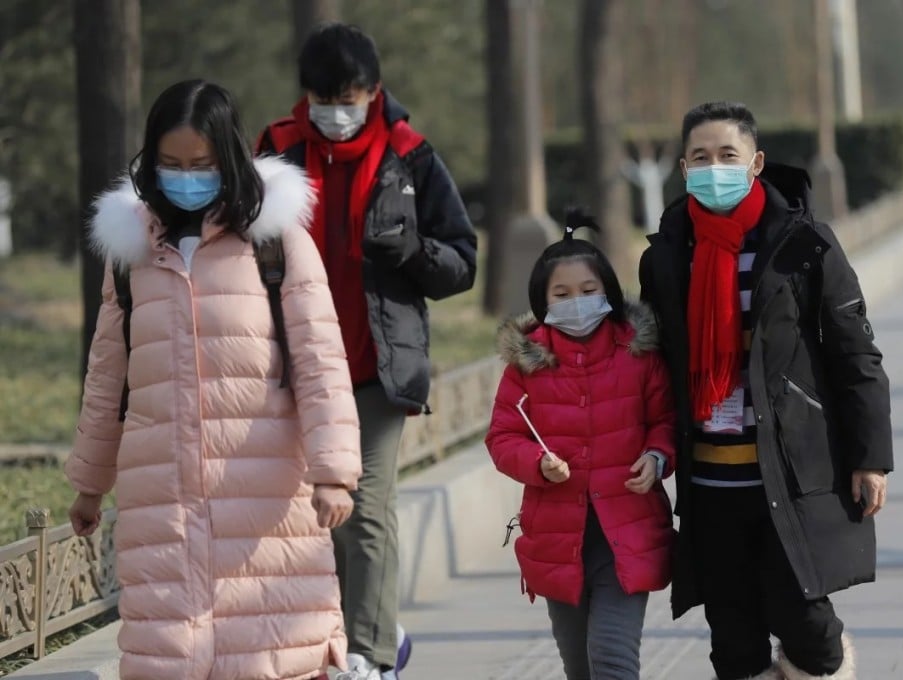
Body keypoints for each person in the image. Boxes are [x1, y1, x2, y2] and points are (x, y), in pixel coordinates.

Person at [66, 80, 362, 680]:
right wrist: (90, 483)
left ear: (229, 158)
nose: (187, 177)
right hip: (163, 504)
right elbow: (108, 378)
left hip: (264, 499)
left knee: (273, 655)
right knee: (170, 658)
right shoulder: (131, 255)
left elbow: (321, 363)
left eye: (201, 164)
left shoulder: (276, 245)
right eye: (172, 164)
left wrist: (333, 473)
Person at [639, 101, 894, 680]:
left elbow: (855, 352)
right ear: (683, 168)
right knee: (733, 640)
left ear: (755, 163)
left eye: (727, 155)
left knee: (804, 622)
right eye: (700, 157)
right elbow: (654, 363)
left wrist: (871, 458)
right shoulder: (666, 257)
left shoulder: (803, 244)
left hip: (791, 470)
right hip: (710, 481)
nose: (714, 168)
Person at [256, 22, 476, 680]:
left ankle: (371, 658)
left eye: (347, 97)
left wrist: (413, 254)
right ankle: (360, 630)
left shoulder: (410, 155)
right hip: (294, 365)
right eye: (322, 98)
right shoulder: (277, 151)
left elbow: (462, 261)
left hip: (378, 369)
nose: (335, 112)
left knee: (367, 511)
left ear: (374, 92)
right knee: (314, 517)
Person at [486, 212, 676, 680]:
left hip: (627, 535)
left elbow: (667, 422)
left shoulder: (639, 355)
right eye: (562, 294)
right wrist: (536, 462)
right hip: (557, 538)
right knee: (580, 666)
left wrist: (657, 457)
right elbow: (503, 436)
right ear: (543, 300)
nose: (577, 302)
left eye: (589, 291)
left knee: (612, 659)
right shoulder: (528, 365)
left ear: (608, 292)